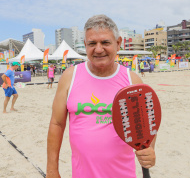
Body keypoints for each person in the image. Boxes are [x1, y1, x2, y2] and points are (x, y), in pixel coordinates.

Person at [46, 15, 156, 178]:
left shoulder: (132, 81)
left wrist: (150, 150)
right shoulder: (70, 76)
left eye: (105, 42)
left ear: (118, 43)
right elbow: (57, 123)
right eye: (92, 43)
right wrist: (52, 170)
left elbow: (147, 125)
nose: (98, 49)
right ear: (85, 45)